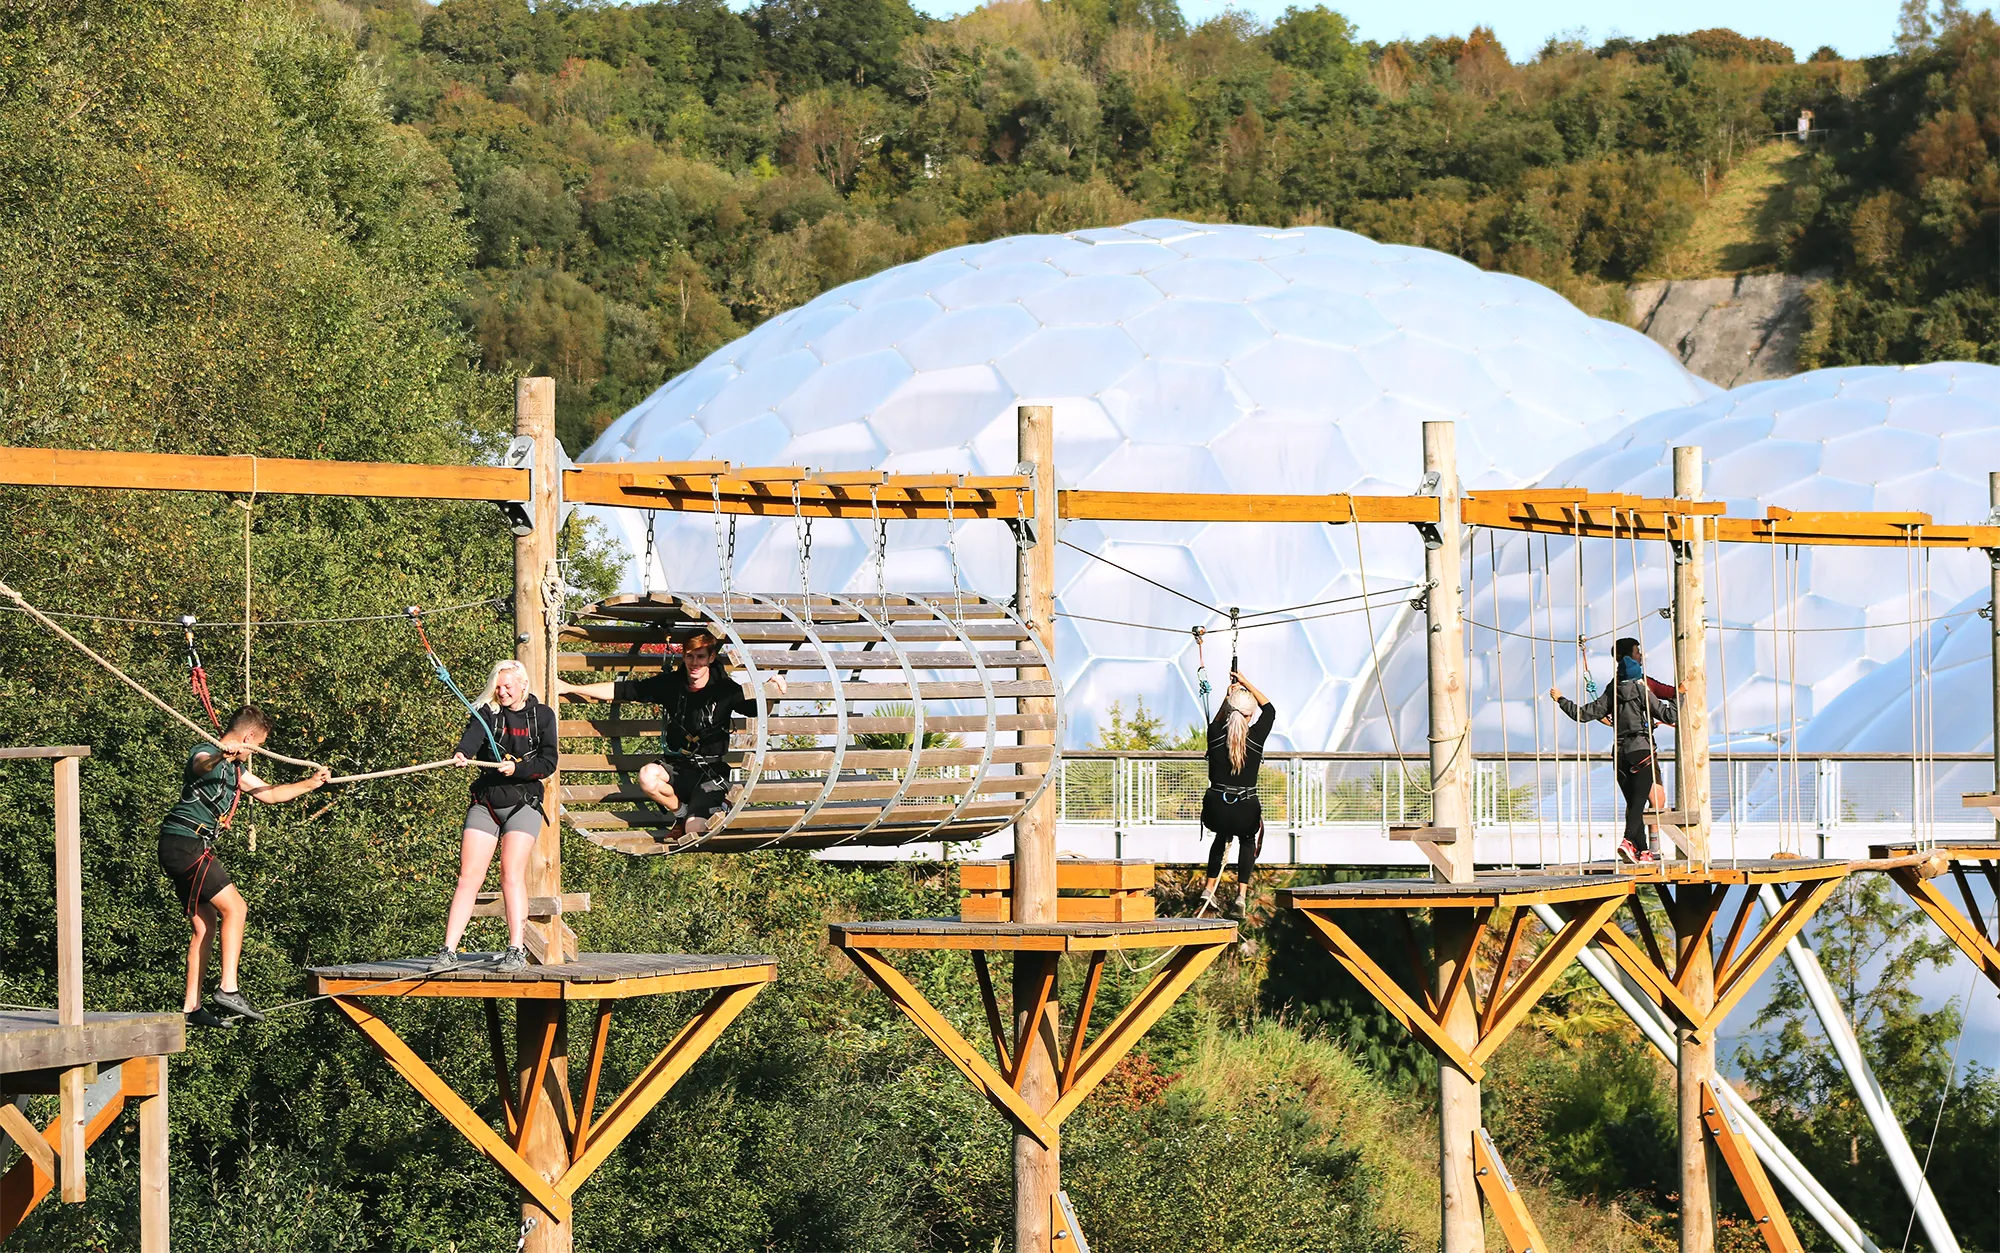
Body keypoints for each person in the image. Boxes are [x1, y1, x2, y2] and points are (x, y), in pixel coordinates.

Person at [158, 706, 330, 1028]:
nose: (256, 752)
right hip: (185, 844)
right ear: (249, 738)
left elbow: (272, 794)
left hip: (186, 847)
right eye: (258, 746)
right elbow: (201, 765)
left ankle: (191, 1008)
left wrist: (310, 784)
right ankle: (228, 988)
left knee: (205, 925)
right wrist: (223, 755)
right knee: (236, 908)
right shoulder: (206, 752)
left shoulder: (237, 773)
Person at [558, 629, 786, 838]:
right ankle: (681, 813)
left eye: (700, 657)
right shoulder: (670, 684)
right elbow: (623, 690)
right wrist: (572, 688)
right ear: (684, 657)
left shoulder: (727, 690)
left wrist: (771, 689)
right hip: (677, 767)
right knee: (648, 776)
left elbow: (757, 709)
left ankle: (712, 811)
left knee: (694, 831)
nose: (694, 663)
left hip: (710, 774)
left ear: (711, 658)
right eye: (689, 656)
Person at [431, 659, 559, 973]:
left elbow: (548, 760)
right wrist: (462, 753)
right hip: (486, 801)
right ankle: (448, 951)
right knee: (468, 876)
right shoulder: (488, 712)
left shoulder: (541, 716)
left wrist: (519, 768)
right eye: (498, 687)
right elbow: (473, 736)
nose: (502, 692)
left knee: (509, 872)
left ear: (523, 686)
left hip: (522, 802)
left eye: (507, 687)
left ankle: (515, 949)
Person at [1550, 637, 1677, 863]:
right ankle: (1629, 842)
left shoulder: (1612, 689)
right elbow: (1669, 714)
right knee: (1640, 803)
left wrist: (1561, 699)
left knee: (1633, 803)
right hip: (1642, 749)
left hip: (1619, 752)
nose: (1641, 655)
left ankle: (1643, 851)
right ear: (1632, 660)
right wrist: (1679, 696)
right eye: (1638, 652)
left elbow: (1583, 714)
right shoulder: (1642, 688)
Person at [1199, 670, 1275, 916]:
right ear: (1250, 716)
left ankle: (1209, 889)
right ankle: (1240, 896)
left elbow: (1220, 719)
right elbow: (1270, 710)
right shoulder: (1256, 737)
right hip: (1244, 809)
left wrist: (1227, 695)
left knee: (1221, 837)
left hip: (1216, 809)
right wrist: (1245, 682)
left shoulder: (1214, 735)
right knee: (1247, 840)